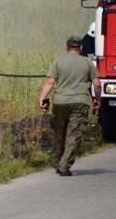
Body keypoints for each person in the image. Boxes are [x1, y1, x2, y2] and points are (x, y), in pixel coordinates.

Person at [38, 36, 101, 176]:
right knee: (74, 134)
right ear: (81, 48)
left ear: (66, 48)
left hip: (60, 102)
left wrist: (42, 98)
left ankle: (56, 162)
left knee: (59, 132)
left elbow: (50, 83)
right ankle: (64, 165)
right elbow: (97, 84)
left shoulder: (58, 61)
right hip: (80, 102)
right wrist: (97, 99)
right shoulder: (88, 62)